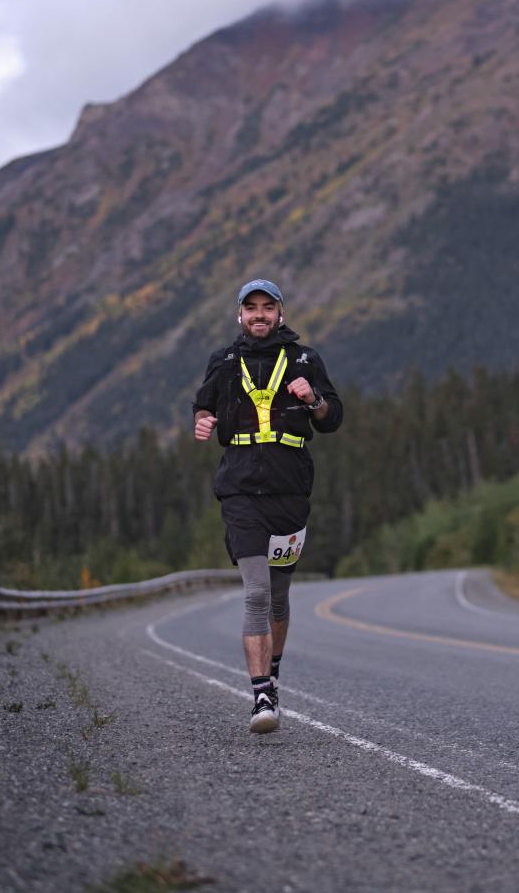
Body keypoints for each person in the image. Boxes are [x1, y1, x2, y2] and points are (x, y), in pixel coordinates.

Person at [192, 279, 343, 733]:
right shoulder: (222, 361)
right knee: (255, 592)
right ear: (239, 315)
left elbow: (332, 418)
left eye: (267, 308)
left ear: (280, 313)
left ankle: (272, 675)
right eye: (251, 308)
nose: (259, 315)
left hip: (290, 492)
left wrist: (312, 398)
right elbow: (202, 408)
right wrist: (203, 422)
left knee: (278, 596)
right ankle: (261, 695)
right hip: (239, 492)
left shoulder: (305, 359)